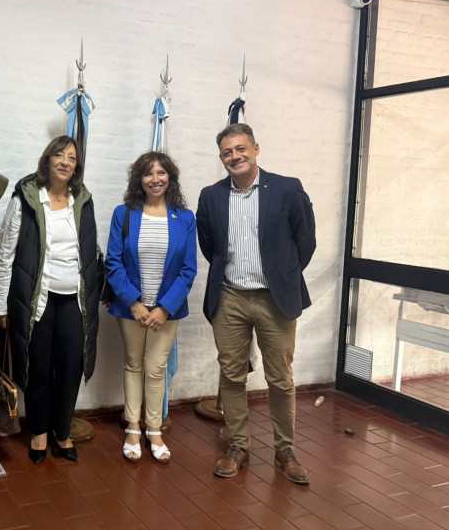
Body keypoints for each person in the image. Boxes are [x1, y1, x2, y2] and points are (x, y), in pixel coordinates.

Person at [196, 123, 316, 484]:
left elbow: (305, 242)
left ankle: (285, 450)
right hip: (229, 297)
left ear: (256, 149)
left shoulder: (287, 189)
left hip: (274, 299)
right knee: (231, 376)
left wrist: (282, 277)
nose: (235, 156)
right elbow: (209, 246)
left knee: (280, 379)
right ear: (222, 158)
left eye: (241, 149)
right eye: (227, 152)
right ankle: (238, 446)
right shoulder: (211, 196)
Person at [0, 136, 100, 464]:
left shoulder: (83, 200)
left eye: (72, 158)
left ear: (77, 167)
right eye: (59, 155)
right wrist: (1, 306)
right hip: (36, 299)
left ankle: (62, 431)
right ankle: (39, 431)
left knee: (70, 367)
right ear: (48, 159)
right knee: (38, 367)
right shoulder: (26, 198)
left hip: (74, 301)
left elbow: (90, 252)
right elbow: (6, 254)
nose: (65, 162)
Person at [105, 151, 197, 464]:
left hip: (165, 312)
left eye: (161, 173)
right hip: (132, 308)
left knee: (156, 369)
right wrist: (133, 303)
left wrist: (165, 308)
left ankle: (153, 429)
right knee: (134, 364)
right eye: (148, 174)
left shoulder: (184, 218)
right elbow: (113, 262)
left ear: (170, 177)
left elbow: (188, 269)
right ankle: (133, 427)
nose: (155, 179)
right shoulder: (125, 214)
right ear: (139, 180)